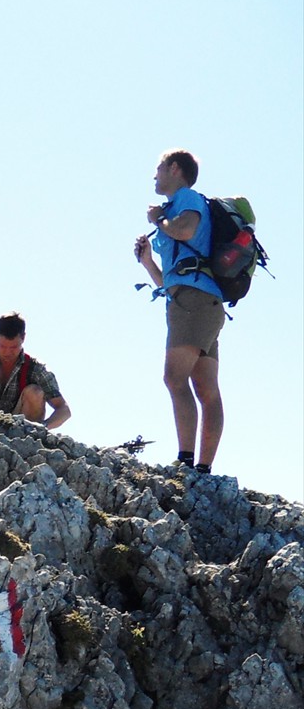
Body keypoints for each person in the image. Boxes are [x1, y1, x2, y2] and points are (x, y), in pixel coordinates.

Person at [133, 148, 224, 475]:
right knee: (206, 389)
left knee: (174, 378)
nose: (154, 176)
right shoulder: (179, 206)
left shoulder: (186, 199)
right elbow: (170, 279)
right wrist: (147, 263)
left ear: (174, 168)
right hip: (201, 301)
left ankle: (186, 461)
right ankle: (202, 468)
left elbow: (185, 230)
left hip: (193, 302)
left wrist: (158, 218)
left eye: (158, 169)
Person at [0, 312, 70, 429]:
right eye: (3, 346)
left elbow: (63, 409)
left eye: (13, 347)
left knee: (35, 393)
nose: (8, 353)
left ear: (23, 338)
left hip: (21, 429)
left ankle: (28, 436)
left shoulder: (36, 369)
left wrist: (43, 427)